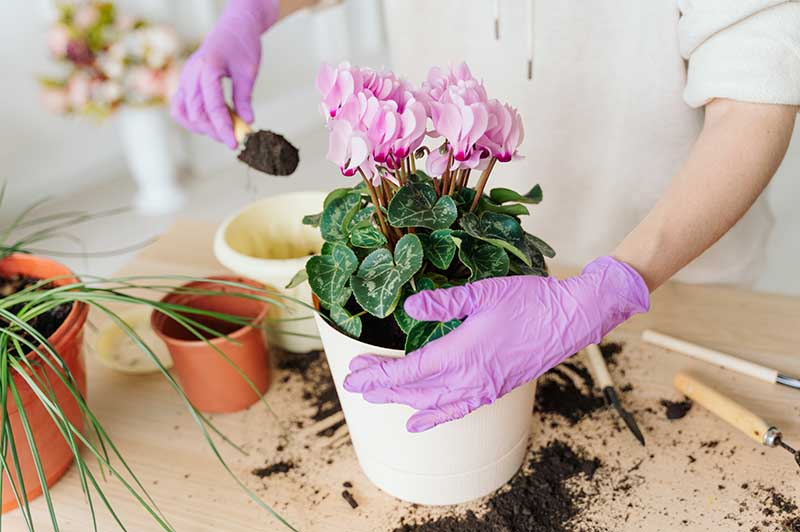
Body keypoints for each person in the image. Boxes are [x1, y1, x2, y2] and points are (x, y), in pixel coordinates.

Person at [172, 0, 799, 432]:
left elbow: (756, 100)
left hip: (674, 260)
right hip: (458, 203)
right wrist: (249, 12)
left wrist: (613, 285)